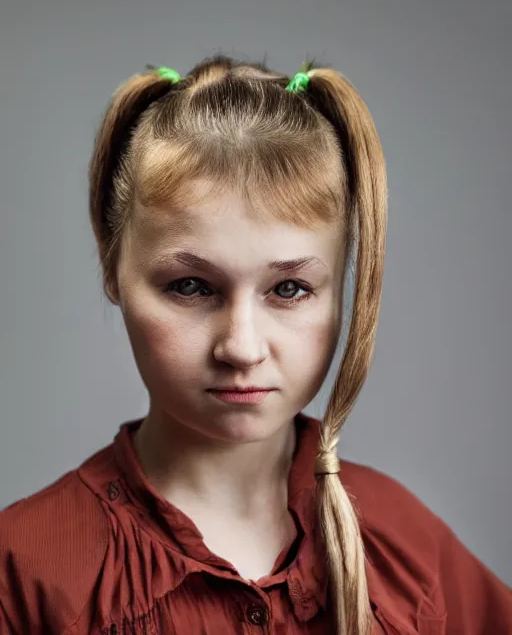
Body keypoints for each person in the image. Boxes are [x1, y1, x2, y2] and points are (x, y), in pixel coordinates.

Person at [0, 54, 510, 635]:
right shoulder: (25, 573)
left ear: (342, 283)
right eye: (191, 286)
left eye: (289, 288)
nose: (242, 348)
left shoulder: (406, 547)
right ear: (112, 267)